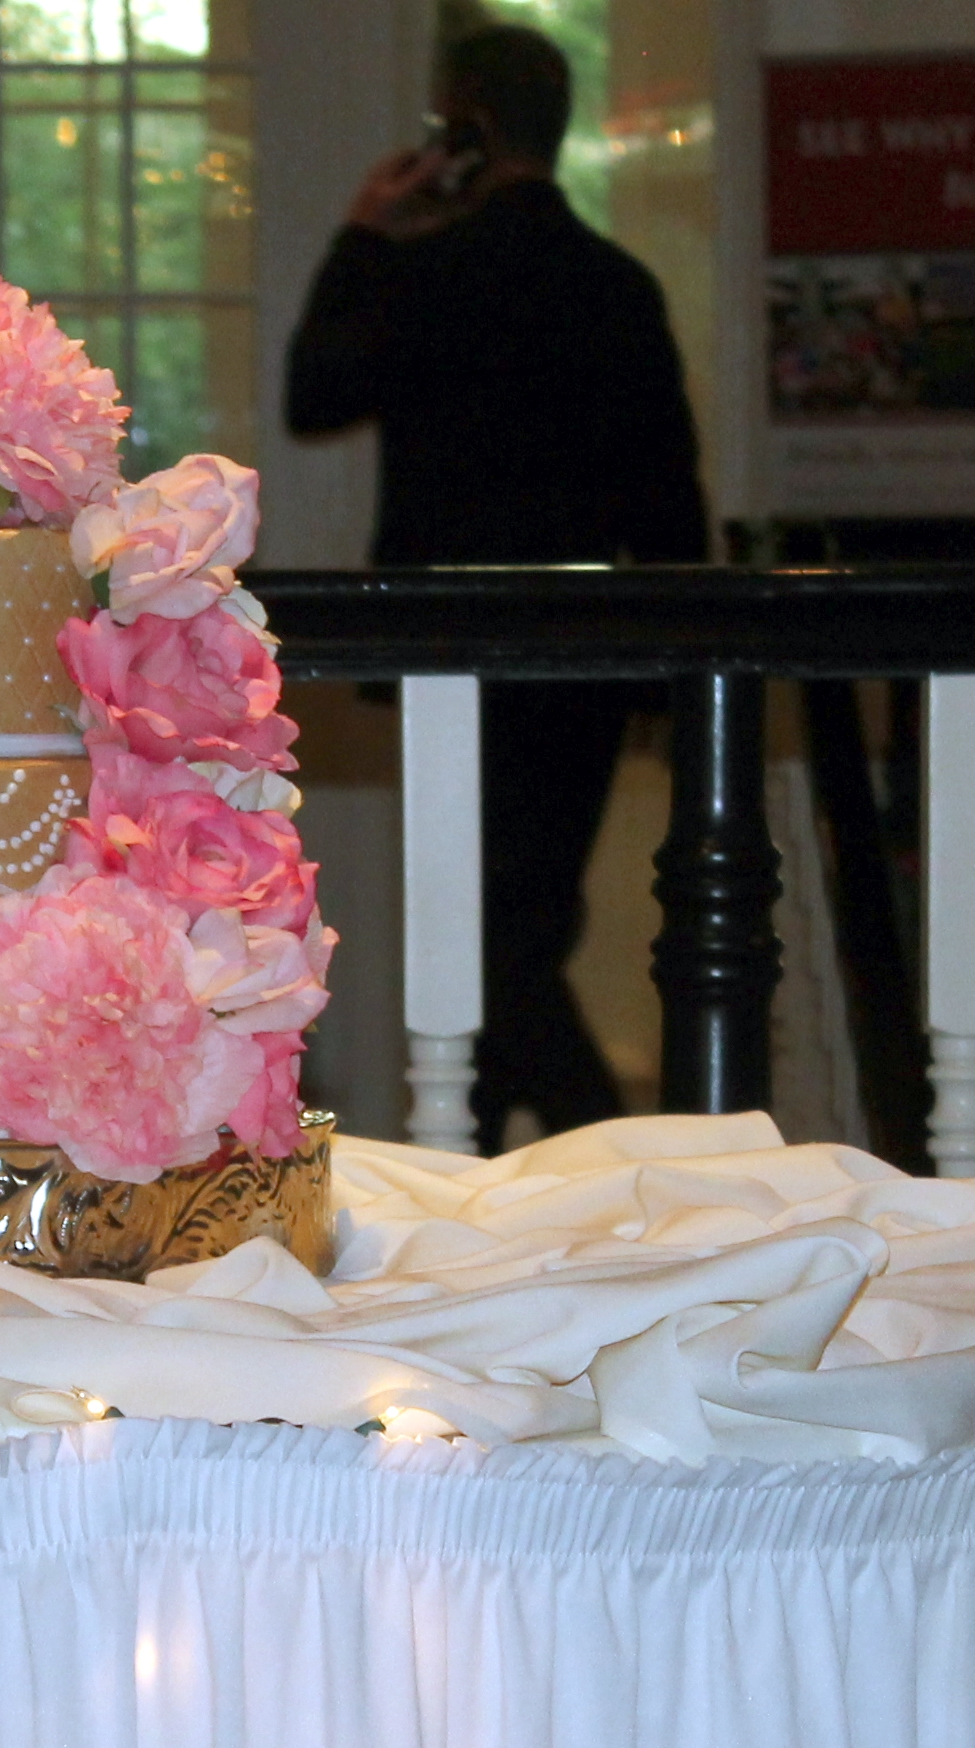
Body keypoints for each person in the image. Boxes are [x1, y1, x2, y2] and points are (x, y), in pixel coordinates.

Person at [286, 21, 708, 1147]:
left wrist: (365, 232)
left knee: (490, 942)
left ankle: (607, 1157)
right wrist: (677, 678)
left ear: (461, 126)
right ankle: (512, 1159)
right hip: (583, 657)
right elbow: (669, 495)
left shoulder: (423, 274)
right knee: (512, 933)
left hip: (447, 656)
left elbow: (311, 392)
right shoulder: (618, 286)